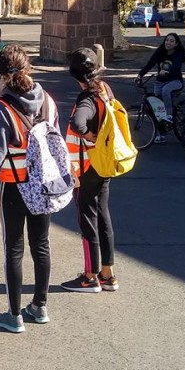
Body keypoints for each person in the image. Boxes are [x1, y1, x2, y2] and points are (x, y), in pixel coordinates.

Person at [0, 45, 59, 333]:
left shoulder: (3, 107)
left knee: (14, 247)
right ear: (29, 68)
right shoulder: (47, 100)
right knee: (41, 244)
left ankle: (14, 315)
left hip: (13, 185)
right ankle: (40, 306)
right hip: (44, 184)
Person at [62, 47, 119, 294]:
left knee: (87, 218)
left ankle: (90, 276)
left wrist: (86, 133)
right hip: (105, 161)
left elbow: (77, 122)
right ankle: (108, 273)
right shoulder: (105, 90)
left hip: (87, 166)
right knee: (103, 216)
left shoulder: (86, 99)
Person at [135, 32, 185, 143]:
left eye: (171, 41)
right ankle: (162, 134)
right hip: (159, 82)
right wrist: (140, 75)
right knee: (157, 108)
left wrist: (167, 71)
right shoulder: (160, 51)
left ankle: (170, 116)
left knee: (166, 91)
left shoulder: (178, 54)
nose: (168, 42)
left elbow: (176, 66)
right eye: (167, 40)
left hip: (175, 81)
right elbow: (150, 64)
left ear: (176, 44)